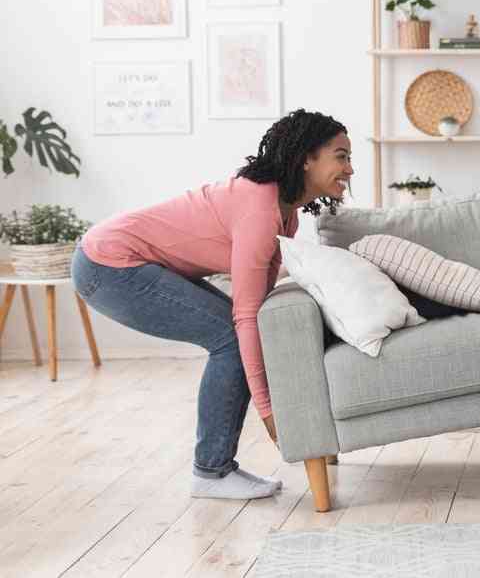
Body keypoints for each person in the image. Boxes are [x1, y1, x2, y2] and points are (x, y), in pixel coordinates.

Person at [71, 109, 353, 500]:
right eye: (341, 156)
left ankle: (215, 468)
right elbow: (247, 316)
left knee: (234, 334)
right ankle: (212, 471)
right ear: (307, 158)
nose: (350, 169)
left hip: (123, 260)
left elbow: (261, 306)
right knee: (230, 337)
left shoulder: (283, 213)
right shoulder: (260, 209)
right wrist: (269, 411)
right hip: (108, 264)